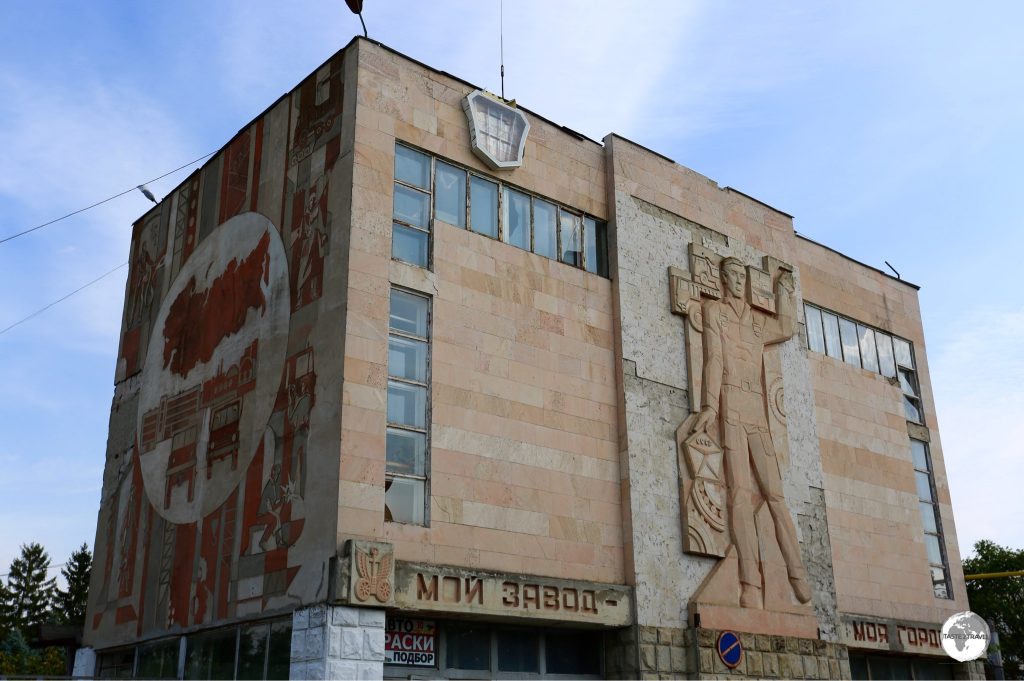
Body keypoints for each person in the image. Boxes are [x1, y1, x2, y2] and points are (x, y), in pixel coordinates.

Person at [690, 257, 811, 608]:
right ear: (723, 279)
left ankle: (797, 575)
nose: (736, 280)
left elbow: (786, 326)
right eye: (730, 274)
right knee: (740, 495)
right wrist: (710, 405)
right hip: (730, 407)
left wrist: (784, 288)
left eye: (740, 275)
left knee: (775, 494)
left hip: (757, 409)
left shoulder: (758, 322)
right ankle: (750, 585)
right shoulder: (715, 312)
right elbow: (713, 358)